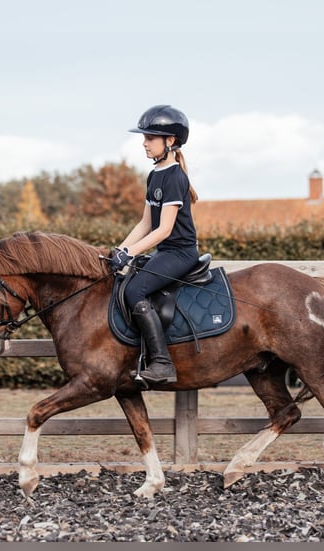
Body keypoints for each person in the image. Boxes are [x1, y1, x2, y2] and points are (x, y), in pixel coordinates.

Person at [109, 105, 199, 385]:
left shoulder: (175, 177)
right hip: (165, 252)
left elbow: (165, 229)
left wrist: (132, 253)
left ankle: (161, 363)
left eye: (150, 138)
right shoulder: (155, 175)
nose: (144, 143)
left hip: (181, 253)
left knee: (135, 290)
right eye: (144, 138)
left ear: (170, 141)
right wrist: (120, 250)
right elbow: (145, 223)